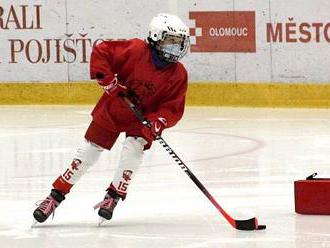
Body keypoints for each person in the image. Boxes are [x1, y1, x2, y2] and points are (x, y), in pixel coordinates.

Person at [33, 13, 190, 224]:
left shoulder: (178, 73)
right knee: (88, 153)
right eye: (171, 41)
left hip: (142, 119)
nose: (175, 47)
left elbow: (172, 107)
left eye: (179, 42)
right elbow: (103, 51)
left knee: (133, 150)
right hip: (114, 109)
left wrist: (158, 122)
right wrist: (107, 79)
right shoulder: (135, 50)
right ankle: (55, 196)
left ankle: (113, 196)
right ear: (155, 37)